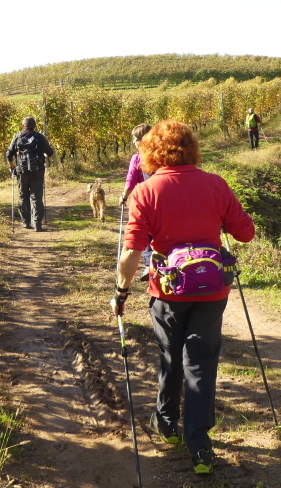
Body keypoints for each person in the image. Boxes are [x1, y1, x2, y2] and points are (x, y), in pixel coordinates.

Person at [110, 120, 255, 475]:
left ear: (151, 152)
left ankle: (165, 422)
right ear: (191, 148)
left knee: (170, 356)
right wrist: (216, 221)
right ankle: (200, 446)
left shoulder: (146, 192)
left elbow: (132, 253)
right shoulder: (215, 184)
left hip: (167, 291)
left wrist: (121, 292)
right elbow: (246, 234)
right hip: (211, 290)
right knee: (201, 362)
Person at [118, 123, 153, 281]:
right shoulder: (163, 156)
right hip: (165, 201)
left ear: (140, 140)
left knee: (144, 231)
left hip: (145, 201)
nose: (133, 141)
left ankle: (149, 264)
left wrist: (124, 197)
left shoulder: (138, 158)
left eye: (134, 138)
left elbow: (131, 181)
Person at [6, 117, 54, 232]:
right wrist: (45, 155)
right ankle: (37, 225)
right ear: (34, 126)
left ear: (23, 125)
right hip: (38, 171)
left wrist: (12, 166)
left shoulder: (18, 136)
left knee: (23, 196)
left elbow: (9, 153)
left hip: (21, 171)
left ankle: (25, 222)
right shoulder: (40, 137)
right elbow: (50, 152)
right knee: (36, 197)